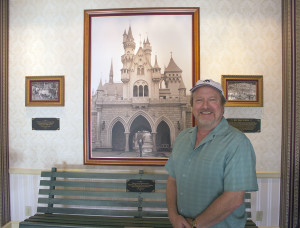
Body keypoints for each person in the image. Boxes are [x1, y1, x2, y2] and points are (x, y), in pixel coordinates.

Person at [165, 79, 258, 228]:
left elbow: (234, 198)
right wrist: (173, 216)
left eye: (212, 100)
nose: (205, 106)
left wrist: (195, 224)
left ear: (222, 107)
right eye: (199, 100)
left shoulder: (238, 143)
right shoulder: (182, 138)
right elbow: (172, 181)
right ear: (192, 106)